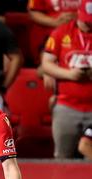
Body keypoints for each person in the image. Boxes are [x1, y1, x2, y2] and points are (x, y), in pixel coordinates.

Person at [41, 0, 92, 158]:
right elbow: (46, 63)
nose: (89, 26)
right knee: (63, 158)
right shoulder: (61, 32)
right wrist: (69, 74)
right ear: (78, 14)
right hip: (66, 106)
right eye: (85, 22)